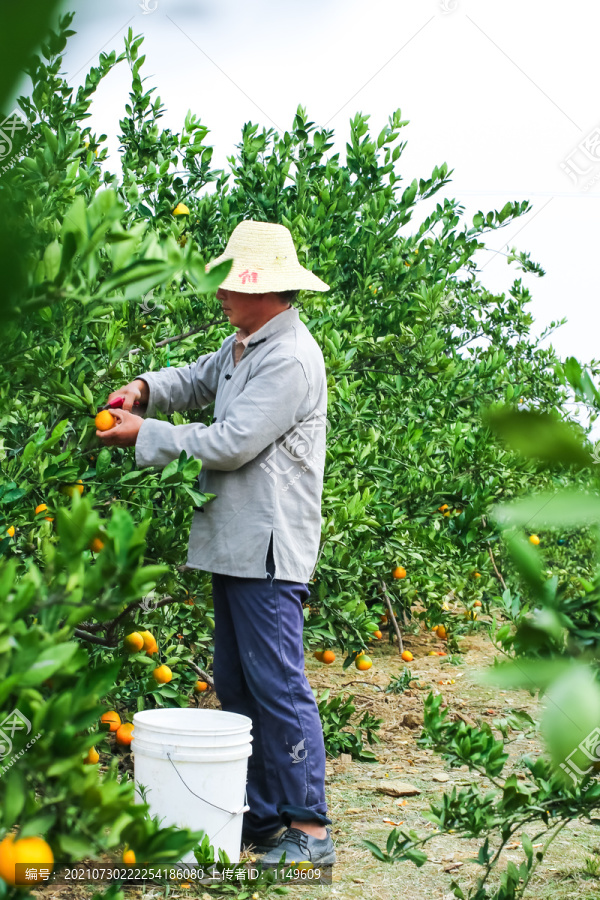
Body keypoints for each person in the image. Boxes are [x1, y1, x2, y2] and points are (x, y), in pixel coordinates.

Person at [96, 219, 336, 867]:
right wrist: (146, 387)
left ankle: (309, 830)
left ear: (266, 289)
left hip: (268, 549)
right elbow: (198, 379)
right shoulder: (245, 344)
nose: (222, 292)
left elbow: (230, 444)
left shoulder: (287, 358)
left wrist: (145, 433)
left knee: (278, 686)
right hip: (234, 545)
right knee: (237, 683)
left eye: (233, 281)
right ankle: (262, 814)